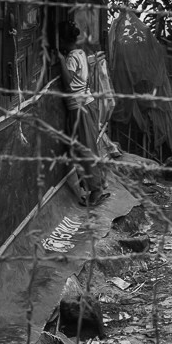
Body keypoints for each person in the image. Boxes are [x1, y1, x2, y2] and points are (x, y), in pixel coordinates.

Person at [57, 20, 110, 207]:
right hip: (87, 105)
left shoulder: (71, 57)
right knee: (87, 147)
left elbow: (69, 83)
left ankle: (96, 191)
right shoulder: (80, 52)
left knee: (85, 149)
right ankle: (99, 183)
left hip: (81, 108)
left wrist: (61, 60)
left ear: (63, 40)